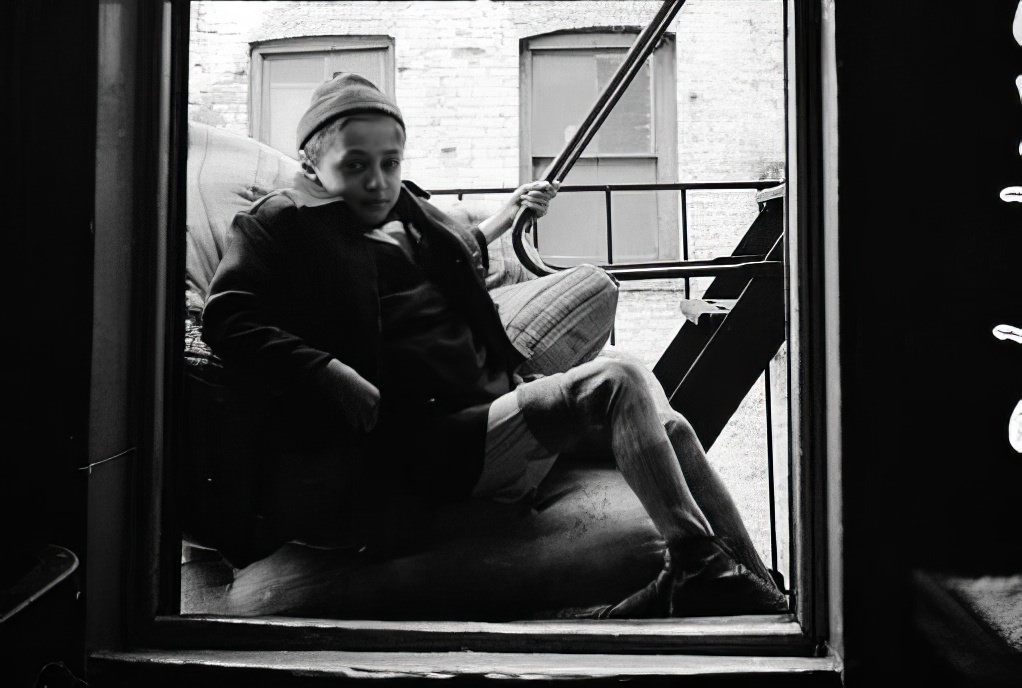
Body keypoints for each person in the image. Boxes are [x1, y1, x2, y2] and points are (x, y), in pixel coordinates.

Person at [202, 73, 787, 618]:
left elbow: (455, 253)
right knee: (618, 383)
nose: (377, 180)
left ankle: (758, 598)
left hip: (479, 414)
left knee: (673, 428)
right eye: (356, 163)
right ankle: (697, 565)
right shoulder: (278, 223)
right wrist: (329, 373)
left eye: (389, 161)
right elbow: (227, 317)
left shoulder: (398, 208)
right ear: (310, 156)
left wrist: (508, 218)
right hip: (415, 444)